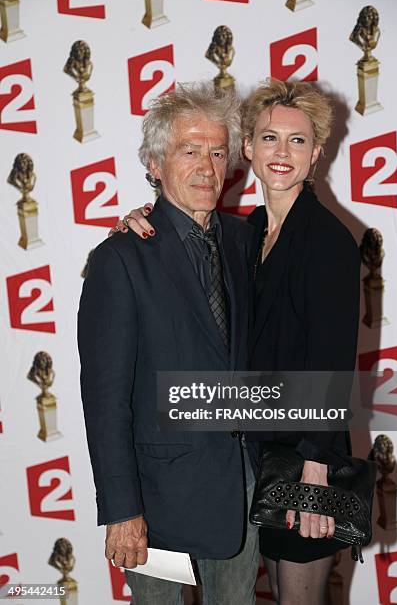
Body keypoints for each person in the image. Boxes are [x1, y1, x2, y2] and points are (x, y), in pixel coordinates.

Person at [115, 78, 360, 605]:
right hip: (254, 460)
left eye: (298, 141)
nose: (281, 153)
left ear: (316, 153)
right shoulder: (246, 234)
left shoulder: (326, 240)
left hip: (304, 459)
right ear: (248, 148)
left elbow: (335, 364)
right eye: (270, 138)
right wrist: (140, 217)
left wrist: (316, 470)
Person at [77, 82, 259, 605]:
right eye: (190, 150)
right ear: (155, 163)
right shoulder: (120, 261)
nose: (207, 167)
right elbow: (106, 401)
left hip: (238, 491)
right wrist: (121, 511)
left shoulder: (243, 240)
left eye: (218, 152)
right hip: (152, 503)